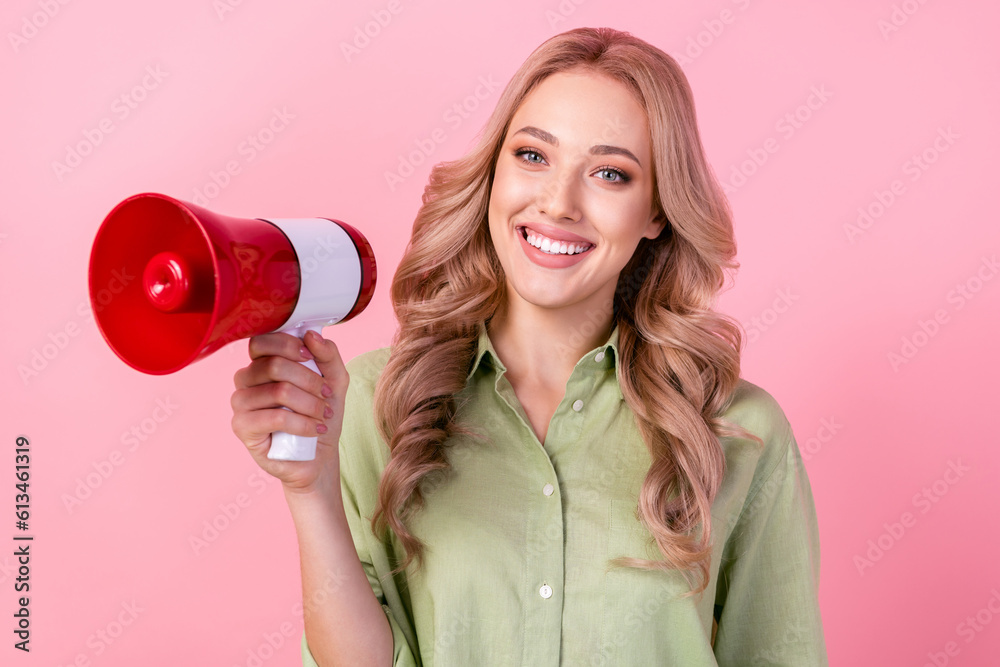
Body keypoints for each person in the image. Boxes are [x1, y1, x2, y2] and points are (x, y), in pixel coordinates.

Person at [230, 26, 828, 666]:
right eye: (533, 156)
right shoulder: (372, 405)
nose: (558, 203)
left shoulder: (740, 433)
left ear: (656, 211)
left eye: (609, 173)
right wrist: (309, 490)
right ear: (493, 174)